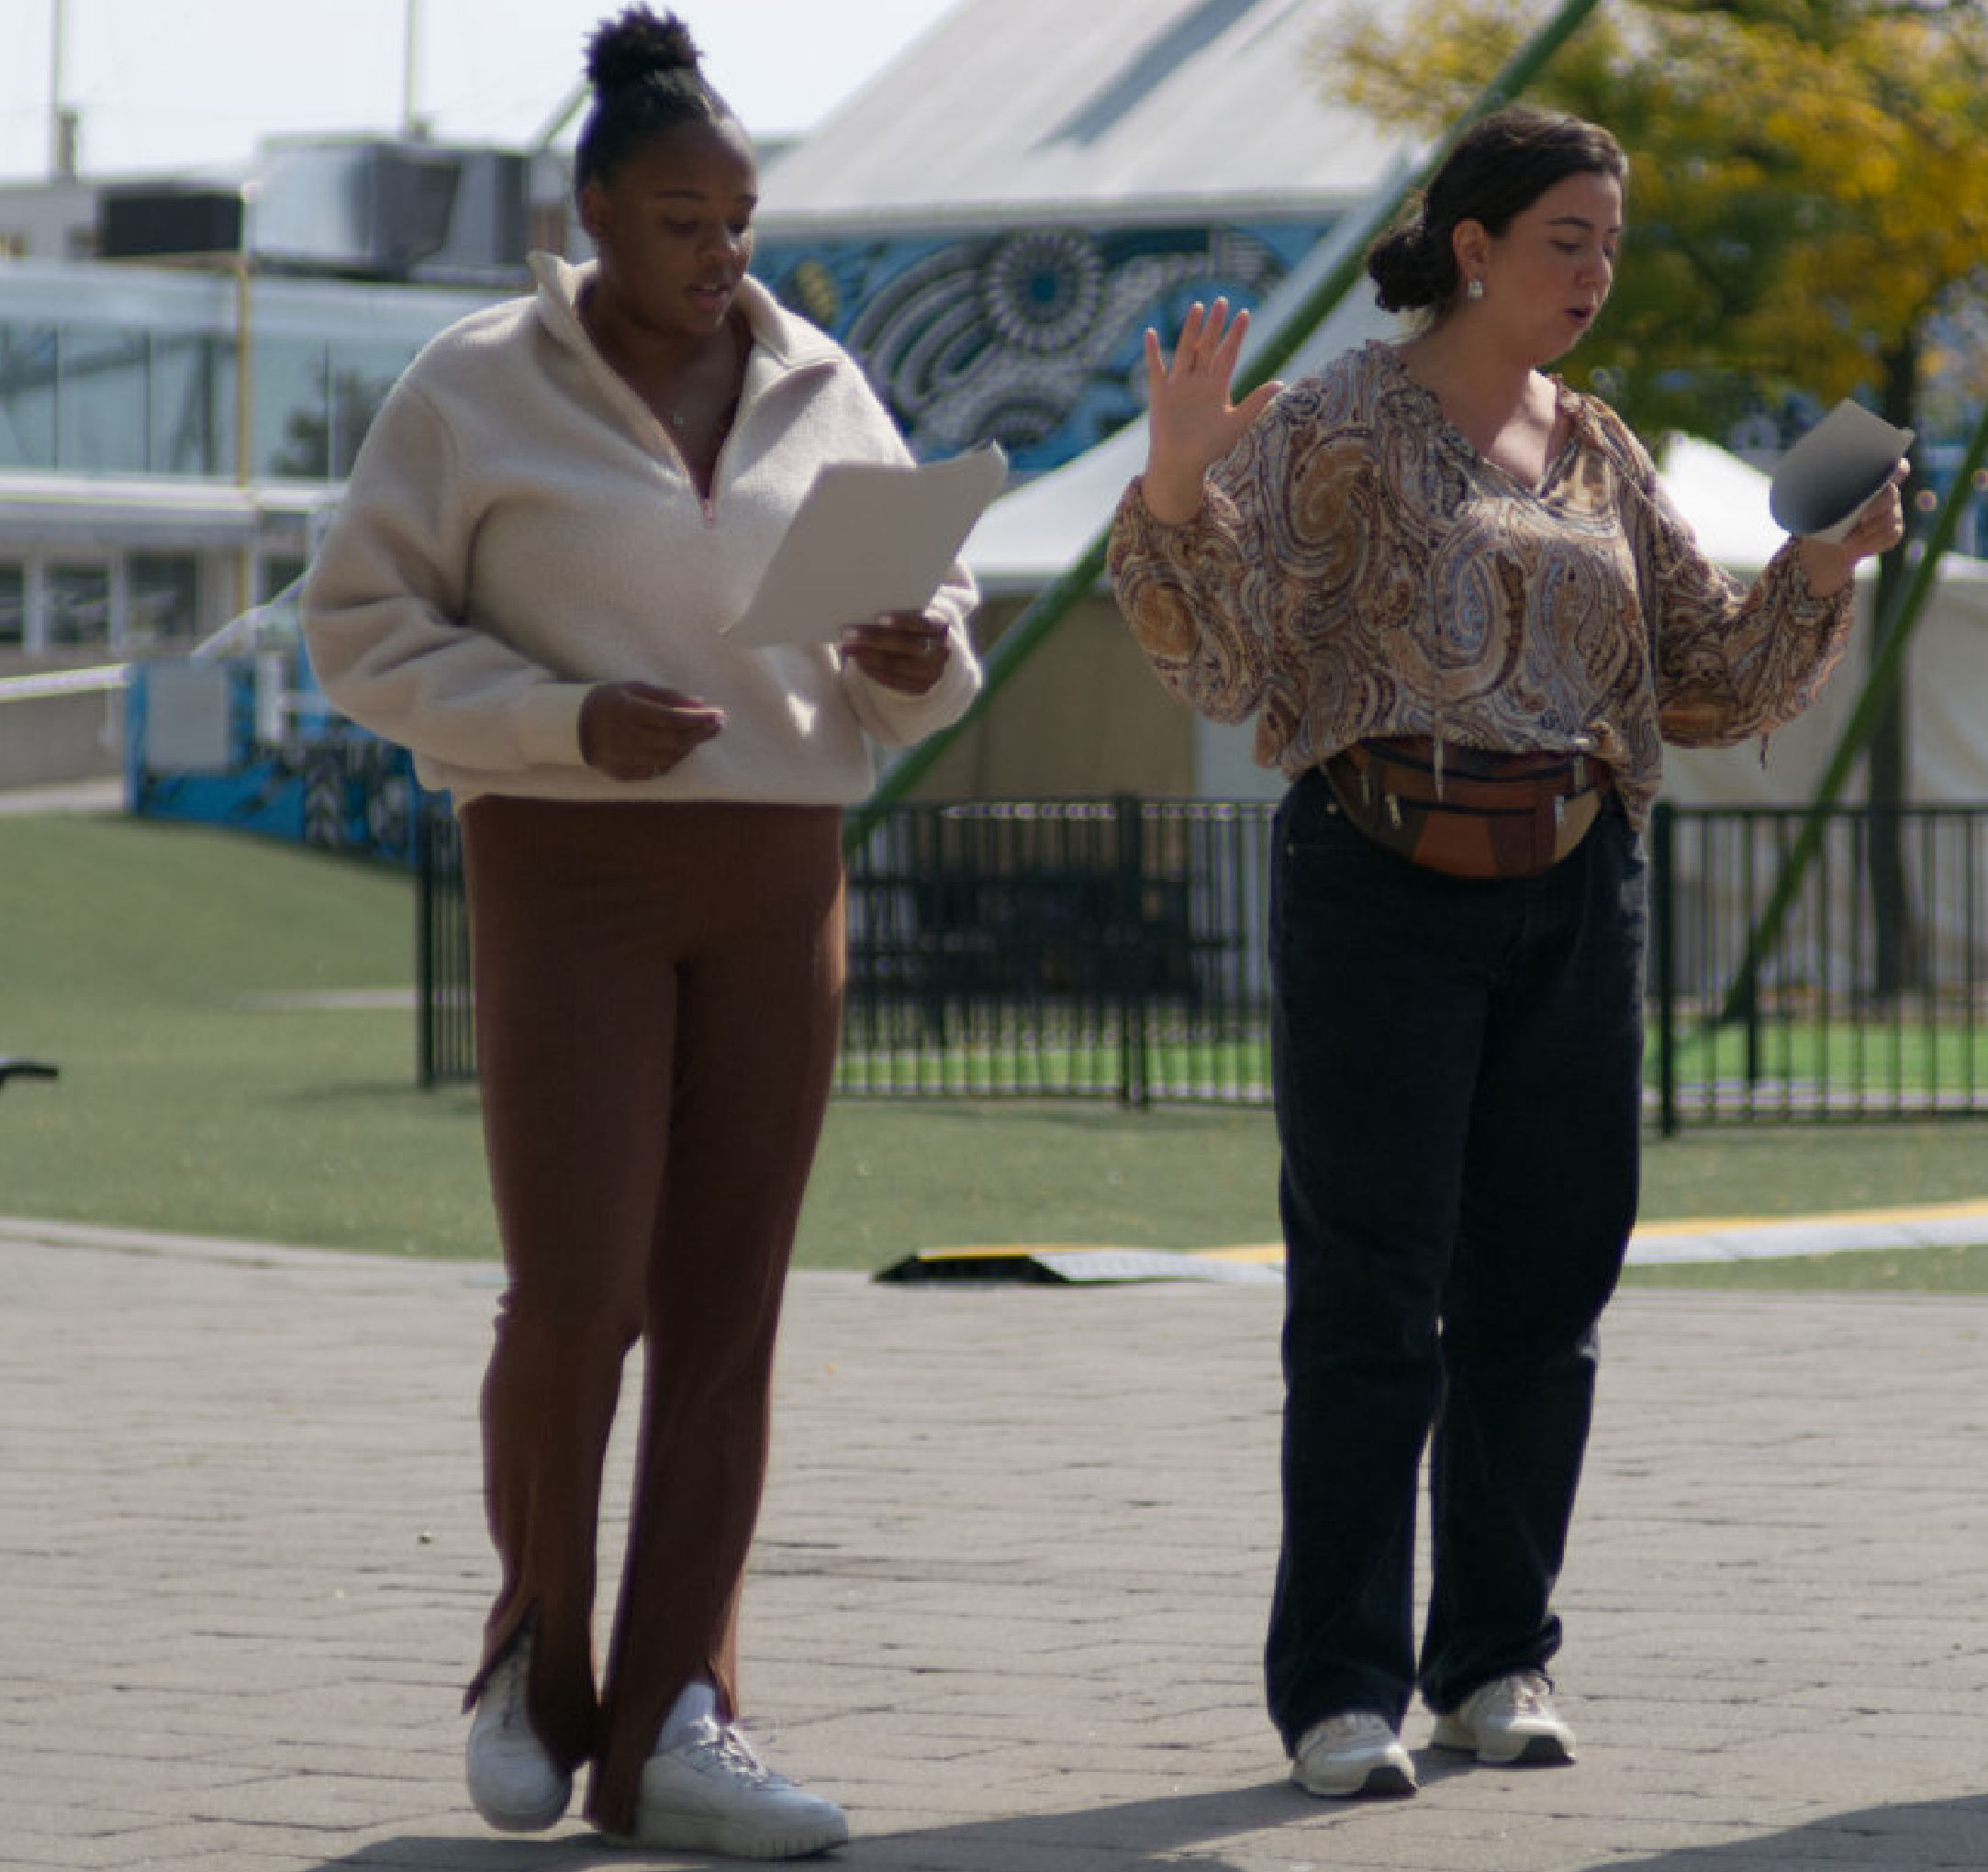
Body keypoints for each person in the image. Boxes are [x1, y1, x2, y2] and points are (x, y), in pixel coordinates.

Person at [1106, 104, 1904, 1800]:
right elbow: (1221, 650)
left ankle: (1496, 1659)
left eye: (1610, 243)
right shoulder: (1331, 418)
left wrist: (1820, 568)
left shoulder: (1605, 447)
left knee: (1546, 1294)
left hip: (1576, 883)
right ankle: (1339, 1690)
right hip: (1375, 881)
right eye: (1567, 239)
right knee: (1372, 1297)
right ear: (1470, 247)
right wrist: (1178, 472)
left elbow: (1704, 674)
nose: (1597, 272)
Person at [304, 8, 978, 1855]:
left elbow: (924, 616)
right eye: (682, 218)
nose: (721, 254)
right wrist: (561, 721)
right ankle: (536, 1657)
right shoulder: (470, 385)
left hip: (779, 871)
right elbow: (357, 630)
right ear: (594, 207)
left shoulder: (823, 379)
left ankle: (683, 1715)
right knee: (580, 1293)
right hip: (569, 865)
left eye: (741, 217)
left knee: (728, 1312)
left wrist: (918, 654)